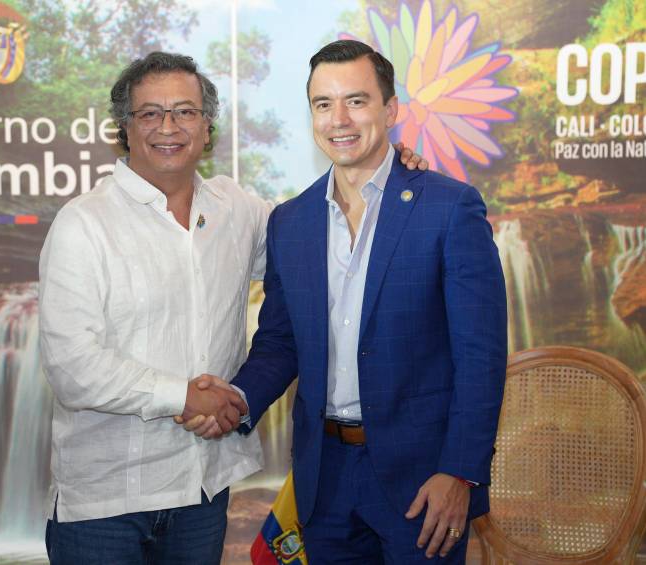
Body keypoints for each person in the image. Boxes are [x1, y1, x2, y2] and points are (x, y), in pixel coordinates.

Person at [39, 50, 427, 564]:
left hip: (203, 490)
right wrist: (181, 396)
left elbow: (323, 235)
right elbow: (72, 368)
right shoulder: (82, 224)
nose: (168, 127)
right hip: (106, 502)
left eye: (185, 111)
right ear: (124, 128)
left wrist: (387, 168)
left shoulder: (237, 209)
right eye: (150, 113)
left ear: (207, 128)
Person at [182, 39, 507, 563]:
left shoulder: (449, 208)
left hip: (424, 481)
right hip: (324, 478)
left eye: (356, 100)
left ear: (390, 108)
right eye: (323, 104)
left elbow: (481, 357)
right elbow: (282, 341)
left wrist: (461, 472)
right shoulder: (290, 221)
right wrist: (237, 399)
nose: (340, 119)